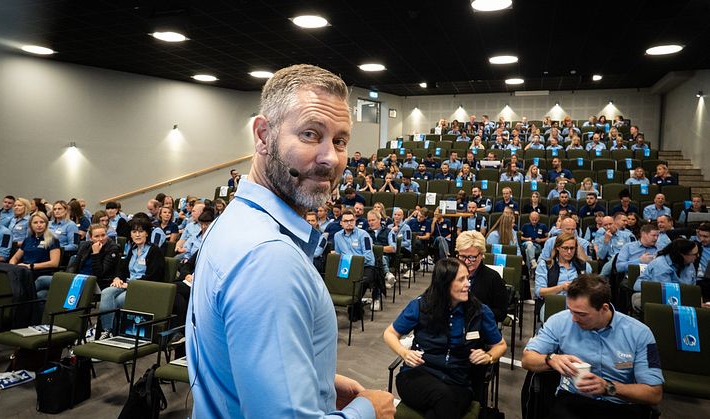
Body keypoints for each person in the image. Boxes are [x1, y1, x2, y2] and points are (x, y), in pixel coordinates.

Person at [187, 64, 394, 418]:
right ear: (263, 134)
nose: (331, 158)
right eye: (311, 134)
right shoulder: (268, 258)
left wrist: (314, 381)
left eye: (340, 141)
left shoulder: (235, 221)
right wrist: (368, 413)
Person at [523, 274, 663, 418]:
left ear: (604, 308)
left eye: (581, 314)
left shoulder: (640, 333)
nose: (573, 318)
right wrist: (550, 359)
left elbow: (654, 393)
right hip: (572, 401)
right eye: (571, 310)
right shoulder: (560, 321)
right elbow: (527, 359)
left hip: (619, 404)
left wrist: (608, 387)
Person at [383, 258, 506, 418]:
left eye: (468, 278)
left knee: (439, 408)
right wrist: (404, 352)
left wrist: (489, 356)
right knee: (443, 398)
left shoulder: (479, 311)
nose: (468, 284)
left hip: (457, 381)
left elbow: (500, 345)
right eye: (461, 279)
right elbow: (390, 333)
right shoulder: (421, 306)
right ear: (445, 283)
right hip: (417, 376)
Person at [98, 216, 164, 340]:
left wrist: (131, 285)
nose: (137, 235)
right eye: (134, 232)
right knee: (106, 292)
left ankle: (112, 332)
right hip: (127, 284)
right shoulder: (132, 249)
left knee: (116, 302)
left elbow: (154, 276)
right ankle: (108, 331)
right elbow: (122, 269)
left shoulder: (154, 251)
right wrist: (117, 278)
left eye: (141, 231)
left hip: (143, 288)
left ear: (147, 233)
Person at [456, 231, 509, 322]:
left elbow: (501, 314)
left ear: (481, 255)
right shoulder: (451, 274)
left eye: (472, 257)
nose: (467, 262)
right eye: (463, 257)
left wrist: (477, 312)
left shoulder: (493, 278)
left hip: (481, 328)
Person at [632, 239, 698, 310]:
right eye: (695, 254)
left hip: (679, 295)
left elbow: (692, 288)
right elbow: (668, 295)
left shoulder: (688, 263)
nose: (698, 256)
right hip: (655, 294)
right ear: (682, 255)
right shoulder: (661, 265)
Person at [9, 211, 60, 278]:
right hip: (24, 271)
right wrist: (14, 267)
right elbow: (15, 258)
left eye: (42, 222)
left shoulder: (53, 240)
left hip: (40, 273)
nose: (39, 225)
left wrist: (31, 266)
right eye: (35, 223)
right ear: (31, 225)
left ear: (46, 224)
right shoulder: (28, 240)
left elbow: (54, 263)